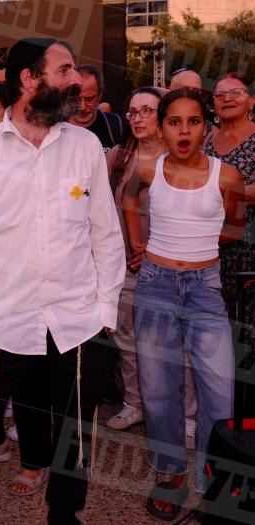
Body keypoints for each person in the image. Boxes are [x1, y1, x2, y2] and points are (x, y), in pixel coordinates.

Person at [0, 38, 125, 525]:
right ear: (29, 79)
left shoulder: (86, 146)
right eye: (64, 70)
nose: (76, 80)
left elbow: (106, 234)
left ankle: (64, 516)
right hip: (0, 324)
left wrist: (104, 312)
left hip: (76, 323)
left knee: (74, 435)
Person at [123, 88, 245, 520]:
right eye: (174, 121)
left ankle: (212, 479)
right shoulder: (147, 168)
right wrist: (137, 243)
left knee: (220, 391)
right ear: (162, 127)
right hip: (155, 286)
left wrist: (202, 247)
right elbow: (129, 198)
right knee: (159, 390)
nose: (184, 130)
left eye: (193, 121)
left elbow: (235, 227)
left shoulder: (226, 175)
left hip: (205, 288)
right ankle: (171, 473)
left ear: (205, 126)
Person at [105, 87, 167, 431]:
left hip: (169, 267)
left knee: (171, 345)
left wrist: (155, 250)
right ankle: (134, 404)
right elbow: (88, 193)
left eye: (147, 111)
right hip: (124, 265)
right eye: (132, 112)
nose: (137, 118)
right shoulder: (119, 156)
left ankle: (181, 414)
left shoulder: (181, 156)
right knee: (128, 341)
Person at [203, 73, 254, 328]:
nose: (227, 98)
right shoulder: (205, 141)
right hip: (210, 250)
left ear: (252, 101)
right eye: (220, 94)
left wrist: (214, 192)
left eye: (236, 93)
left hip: (250, 250)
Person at [68, 65, 122, 152]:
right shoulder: (56, 125)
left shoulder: (113, 124)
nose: (82, 107)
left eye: (89, 99)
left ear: (100, 94)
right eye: (76, 99)